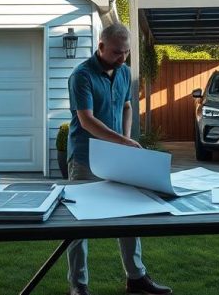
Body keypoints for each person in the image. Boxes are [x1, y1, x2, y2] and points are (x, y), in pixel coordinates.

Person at [65, 23, 172, 295]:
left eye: (126, 52)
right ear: (100, 47)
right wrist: (124, 142)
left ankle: (136, 278)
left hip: (116, 155)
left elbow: (127, 106)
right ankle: (78, 286)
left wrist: (124, 141)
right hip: (85, 157)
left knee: (128, 213)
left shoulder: (124, 72)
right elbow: (86, 121)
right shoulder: (82, 75)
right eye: (116, 52)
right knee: (79, 222)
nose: (122, 58)